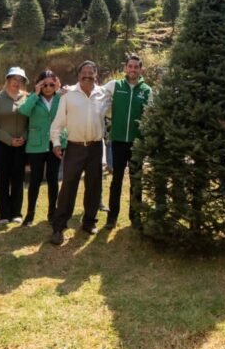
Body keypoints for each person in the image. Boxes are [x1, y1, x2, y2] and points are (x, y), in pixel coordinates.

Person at [48, 60, 111, 245]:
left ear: (96, 75)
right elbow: (57, 123)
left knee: (94, 185)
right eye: (84, 71)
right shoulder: (68, 96)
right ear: (78, 75)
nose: (87, 75)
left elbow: (113, 113)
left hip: (95, 146)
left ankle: (89, 222)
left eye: (91, 72)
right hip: (75, 146)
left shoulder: (103, 95)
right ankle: (59, 227)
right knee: (68, 186)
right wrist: (57, 143)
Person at [101, 54, 152, 229]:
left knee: (136, 180)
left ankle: (135, 217)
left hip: (137, 143)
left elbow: (150, 116)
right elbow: (96, 94)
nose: (132, 69)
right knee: (116, 180)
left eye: (136, 67)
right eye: (130, 66)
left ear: (140, 69)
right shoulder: (115, 86)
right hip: (118, 141)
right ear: (125, 68)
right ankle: (112, 217)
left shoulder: (146, 90)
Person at [17, 70, 65, 226]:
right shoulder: (33, 98)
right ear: (39, 84)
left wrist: (60, 91)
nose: (48, 87)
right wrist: (35, 94)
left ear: (56, 84)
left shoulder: (61, 98)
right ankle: (30, 215)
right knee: (35, 180)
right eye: (45, 84)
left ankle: (52, 213)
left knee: (53, 180)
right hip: (36, 144)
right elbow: (23, 111)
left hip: (55, 143)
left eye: (52, 84)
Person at [0, 67, 30, 224]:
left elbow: (30, 122)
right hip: (2, 145)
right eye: (14, 78)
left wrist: (23, 138)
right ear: (7, 79)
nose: (17, 82)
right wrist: (8, 139)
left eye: (20, 80)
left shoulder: (27, 98)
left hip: (21, 144)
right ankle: (3, 214)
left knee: (18, 179)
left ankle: (16, 213)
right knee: (3, 178)